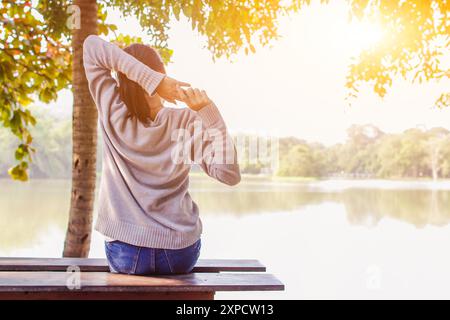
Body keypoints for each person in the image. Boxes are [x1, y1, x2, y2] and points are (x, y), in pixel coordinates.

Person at [82, 35, 240, 275]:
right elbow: (229, 175)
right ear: (161, 73)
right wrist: (210, 114)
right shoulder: (185, 121)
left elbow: (92, 47)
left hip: (125, 251)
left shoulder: (112, 110)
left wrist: (153, 81)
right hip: (178, 252)